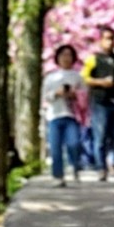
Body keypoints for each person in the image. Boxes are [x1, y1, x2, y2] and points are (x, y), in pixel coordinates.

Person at [82, 25, 114, 180]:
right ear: (100, 40)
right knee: (100, 136)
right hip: (100, 101)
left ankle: (113, 162)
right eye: (107, 38)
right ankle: (101, 168)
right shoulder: (93, 59)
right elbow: (85, 78)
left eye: (113, 38)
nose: (111, 42)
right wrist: (101, 82)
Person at [41, 44, 83, 186]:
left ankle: (75, 167)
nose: (66, 58)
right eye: (63, 55)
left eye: (69, 55)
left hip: (71, 116)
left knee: (74, 143)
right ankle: (58, 176)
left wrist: (73, 94)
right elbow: (45, 96)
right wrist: (56, 93)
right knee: (55, 148)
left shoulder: (77, 77)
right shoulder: (50, 77)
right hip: (54, 116)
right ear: (57, 58)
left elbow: (84, 97)